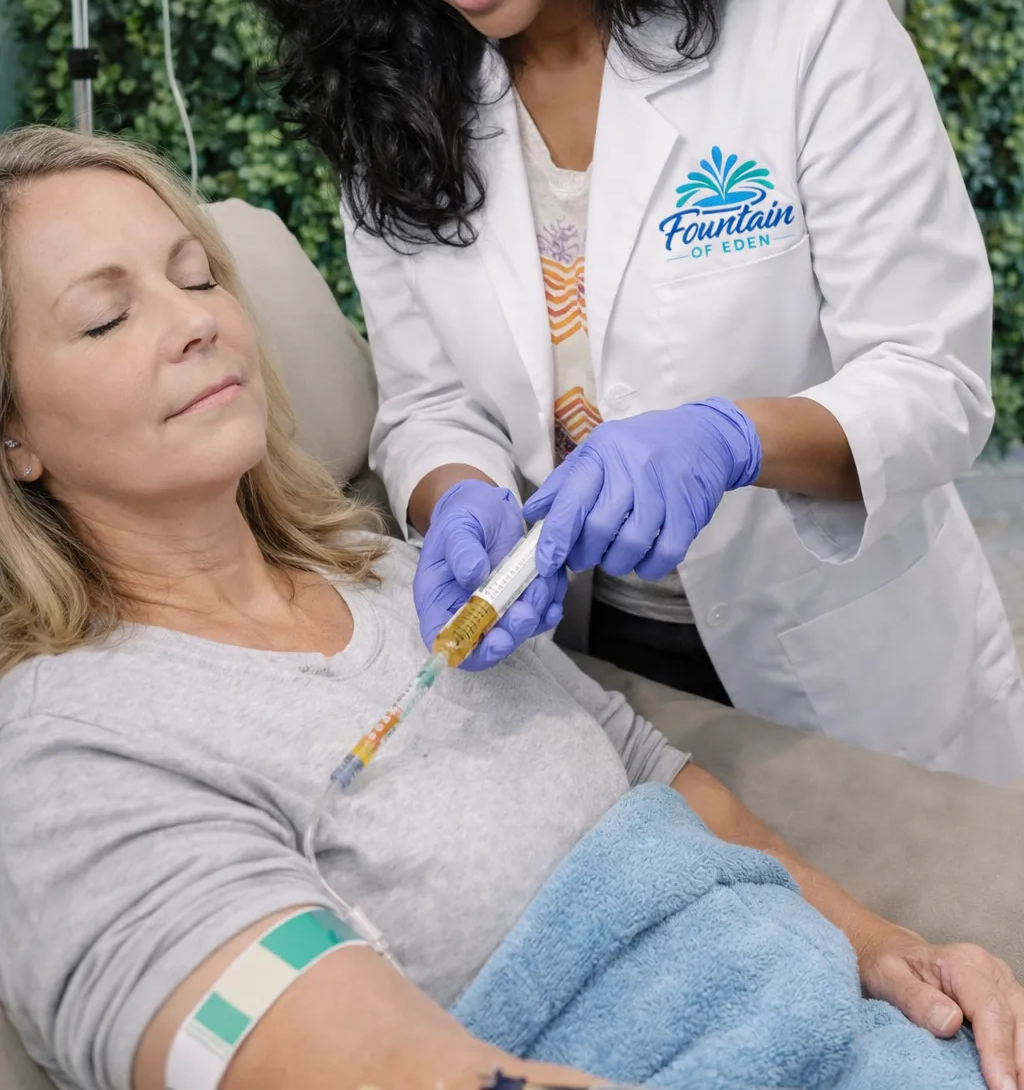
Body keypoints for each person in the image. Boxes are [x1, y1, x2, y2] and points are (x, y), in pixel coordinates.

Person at [0, 126, 1022, 1090]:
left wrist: (884, 949)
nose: (197, 321)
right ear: (15, 437)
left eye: (197, 277)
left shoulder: (390, 576)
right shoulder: (78, 756)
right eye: (106, 317)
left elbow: (648, 772)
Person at [259, 0, 1024, 781]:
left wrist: (732, 439)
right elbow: (428, 403)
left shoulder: (805, 22)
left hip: (846, 662)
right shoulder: (393, 100)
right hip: (584, 659)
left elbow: (934, 384)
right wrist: (455, 497)